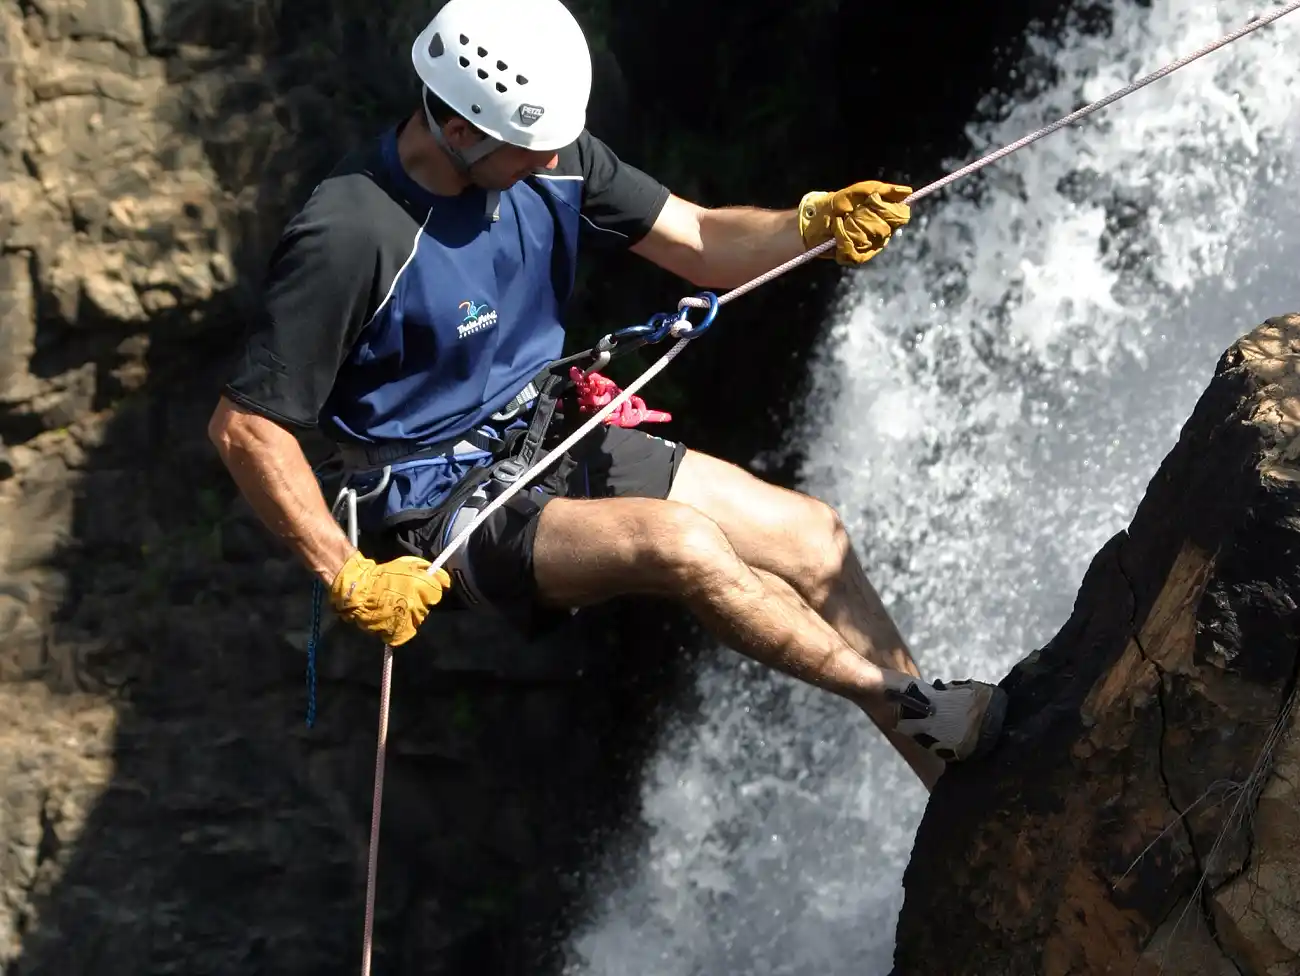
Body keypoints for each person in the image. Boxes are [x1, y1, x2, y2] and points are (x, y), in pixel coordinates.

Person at [207, 0, 1006, 790]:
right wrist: (347, 574)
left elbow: (700, 241)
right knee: (680, 545)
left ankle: (940, 765)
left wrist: (812, 225)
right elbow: (246, 427)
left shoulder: (548, 158)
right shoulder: (352, 233)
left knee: (811, 536)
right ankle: (915, 706)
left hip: (544, 431)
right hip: (435, 507)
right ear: (459, 131)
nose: (556, 163)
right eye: (534, 148)